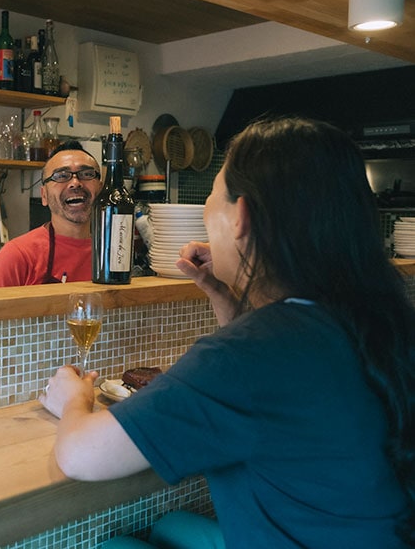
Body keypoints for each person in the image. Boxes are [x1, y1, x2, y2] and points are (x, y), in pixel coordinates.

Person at [40, 117, 415, 548]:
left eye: (213, 199)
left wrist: (74, 398)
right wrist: (229, 301)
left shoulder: (250, 354)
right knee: (173, 525)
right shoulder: (372, 315)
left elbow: (80, 456)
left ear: (242, 217)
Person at [0, 141, 102, 287]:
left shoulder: (113, 253)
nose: (75, 183)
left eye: (87, 174)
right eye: (61, 176)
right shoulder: (16, 256)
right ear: (44, 195)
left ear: (101, 190)